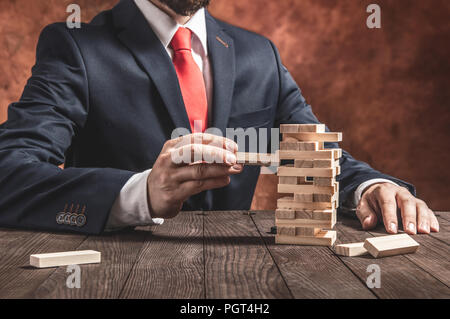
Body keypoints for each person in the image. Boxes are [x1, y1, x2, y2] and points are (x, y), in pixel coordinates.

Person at [0, 0, 438, 235]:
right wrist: (141, 193)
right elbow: (9, 175)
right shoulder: (75, 46)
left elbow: (315, 151)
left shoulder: (259, 53)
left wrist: (371, 186)